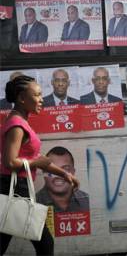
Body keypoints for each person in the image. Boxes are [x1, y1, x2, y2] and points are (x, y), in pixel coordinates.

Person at [0, 75, 79, 255]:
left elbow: (37, 158)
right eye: (37, 95)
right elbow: (10, 161)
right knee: (45, 244)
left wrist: (64, 174)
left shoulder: (20, 121)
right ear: (21, 98)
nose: (42, 99)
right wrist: (37, 162)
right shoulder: (17, 125)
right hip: (16, 188)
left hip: (16, 188)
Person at [37, 146, 89, 212]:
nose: (59, 175)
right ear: (44, 173)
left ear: (73, 172)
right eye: (53, 171)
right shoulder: (33, 203)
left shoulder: (87, 201)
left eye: (65, 169)